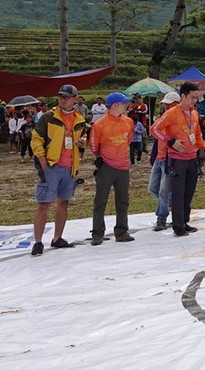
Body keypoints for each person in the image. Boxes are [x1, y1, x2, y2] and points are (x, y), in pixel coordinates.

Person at [30, 84, 86, 256]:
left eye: (66, 97)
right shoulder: (48, 117)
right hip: (52, 166)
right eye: (61, 96)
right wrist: (42, 160)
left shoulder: (80, 119)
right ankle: (38, 242)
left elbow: (83, 135)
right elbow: (36, 139)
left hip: (70, 167)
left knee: (63, 203)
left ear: (75, 99)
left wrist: (82, 141)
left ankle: (57, 238)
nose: (63, 99)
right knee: (44, 203)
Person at [150, 82, 205, 236]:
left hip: (192, 158)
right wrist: (170, 141)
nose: (195, 101)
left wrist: (203, 149)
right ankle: (178, 226)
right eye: (192, 97)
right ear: (183, 96)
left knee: (188, 193)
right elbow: (154, 129)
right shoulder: (171, 113)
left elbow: (196, 134)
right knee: (178, 193)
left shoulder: (194, 113)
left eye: (197, 98)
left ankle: (184, 222)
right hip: (177, 159)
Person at [89, 92, 135, 245]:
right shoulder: (99, 124)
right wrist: (106, 157)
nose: (126, 105)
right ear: (115, 105)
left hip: (123, 166)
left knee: (123, 200)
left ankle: (122, 231)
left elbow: (127, 140)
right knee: (101, 200)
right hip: (107, 166)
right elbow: (94, 147)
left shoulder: (128, 122)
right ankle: (97, 233)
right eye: (123, 103)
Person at [149, 92, 180, 231]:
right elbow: (155, 134)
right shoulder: (164, 117)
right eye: (166, 104)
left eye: (169, 103)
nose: (166, 106)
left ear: (176, 104)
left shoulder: (178, 119)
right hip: (159, 158)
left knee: (163, 191)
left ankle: (161, 219)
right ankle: (175, 204)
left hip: (168, 158)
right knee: (153, 188)